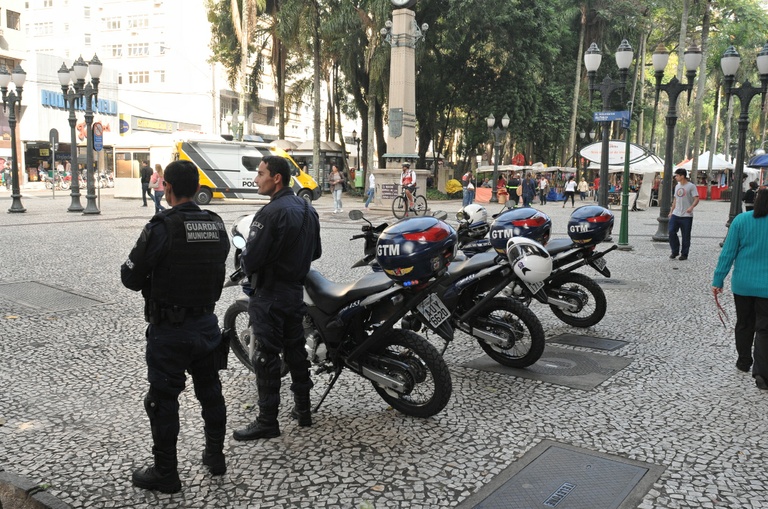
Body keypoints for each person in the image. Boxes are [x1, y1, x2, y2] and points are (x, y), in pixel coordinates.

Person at [121, 160, 231, 493]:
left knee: (162, 400)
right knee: (211, 392)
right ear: (197, 187)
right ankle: (215, 457)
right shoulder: (216, 223)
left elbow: (130, 276)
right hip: (207, 325)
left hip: (170, 331)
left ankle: (166, 472)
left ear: (166, 187)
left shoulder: (162, 226)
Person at [233, 155, 322, 441]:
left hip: (269, 293)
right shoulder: (308, 209)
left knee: (266, 357)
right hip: (294, 292)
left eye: (260, 174)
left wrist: (252, 262)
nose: (257, 179)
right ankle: (303, 411)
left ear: (277, 178)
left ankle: (267, 421)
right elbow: (316, 252)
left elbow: (251, 257)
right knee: (295, 351)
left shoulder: (269, 213)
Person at [712, 189, 768, 385]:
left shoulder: (741, 221)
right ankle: (762, 373)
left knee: (744, 322)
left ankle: (744, 361)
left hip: (743, 284)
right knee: (764, 328)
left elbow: (728, 253)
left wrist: (718, 280)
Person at [668, 168, 699, 261]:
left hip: (686, 216)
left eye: (677, 175)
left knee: (686, 235)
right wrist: (671, 211)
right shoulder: (677, 186)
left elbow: (696, 198)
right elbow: (675, 200)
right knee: (671, 231)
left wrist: (691, 207)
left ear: (682, 176)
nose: (676, 177)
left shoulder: (691, 186)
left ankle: (684, 254)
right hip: (676, 213)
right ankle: (675, 250)